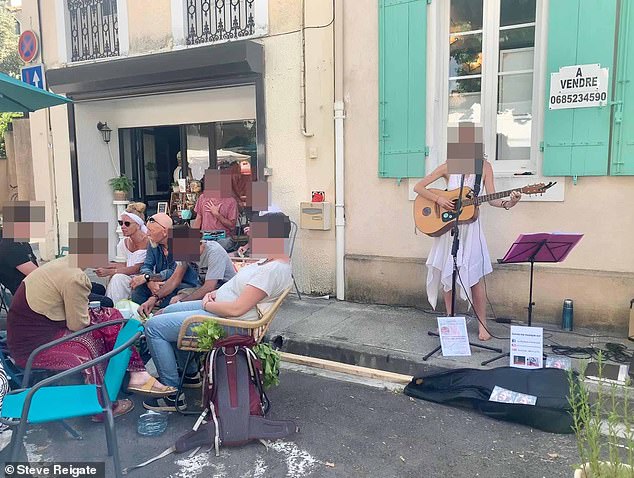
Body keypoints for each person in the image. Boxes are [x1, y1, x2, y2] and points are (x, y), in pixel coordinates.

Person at [6, 226, 176, 421]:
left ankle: (137, 373)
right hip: (33, 346)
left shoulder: (62, 264)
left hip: (38, 332)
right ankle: (102, 407)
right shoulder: (75, 277)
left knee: (110, 315)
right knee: (90, 343)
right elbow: (77, 324)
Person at [142, 212, 293, 411]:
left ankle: (171, 393)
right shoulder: (268, 262)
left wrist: (208, 304)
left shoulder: (271, 271)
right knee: (169, 310)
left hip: (227, 322)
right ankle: (190, 374)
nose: (251, 236)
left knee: (153, 327)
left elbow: (237, 309)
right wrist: (215, 294)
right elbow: (234, 292)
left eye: (256, 232)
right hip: (220, 309)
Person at [413, 159, 521, 341]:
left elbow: (492, 198)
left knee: (474, 277)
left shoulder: (484, 168)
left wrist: (509, 203)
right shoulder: (450, 165)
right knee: (448, 275)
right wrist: (439, 199)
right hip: (449, 227)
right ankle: (450, 321)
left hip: (471, 230)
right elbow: (419, 187)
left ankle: (483, 325)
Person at [130, 213, 199, 316]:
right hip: (159, 282)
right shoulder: (153, 243)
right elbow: (146, 266)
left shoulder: (182, 242)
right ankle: (140, 317)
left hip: (183, 284)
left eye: (151, 230)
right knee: (138, 290)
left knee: (169, 297)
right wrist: (149, 282)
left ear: (165, 232)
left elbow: (173, 272)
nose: (147, 234)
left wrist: (148, 277)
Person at [97, 203, 149, 303]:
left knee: (117, 278)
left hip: (143, 279)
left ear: (138, 225)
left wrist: (111, 271)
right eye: (121, 223)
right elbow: (126, 264)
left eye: (127, 224)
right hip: (129, 277)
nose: (123, 226)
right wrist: (106, 265)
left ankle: (112, 309)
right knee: (115, 277)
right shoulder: (123, 243)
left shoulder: (148, 242)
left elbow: (138, 267)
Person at [168, 240, 237, 304]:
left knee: (176, 305)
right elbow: (174, 279)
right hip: (202, 287)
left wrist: (180, 302)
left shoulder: (214, 251)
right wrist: (157, 296)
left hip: (223, 291)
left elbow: (209, 287)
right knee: (172, 299)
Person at [192, 169, 239, 252]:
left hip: (223, 237)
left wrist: (217, 215)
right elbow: (198, 219)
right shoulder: (203, 198)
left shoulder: (231, 201)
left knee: (223, 248)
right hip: (206, 236)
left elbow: (232, 226)